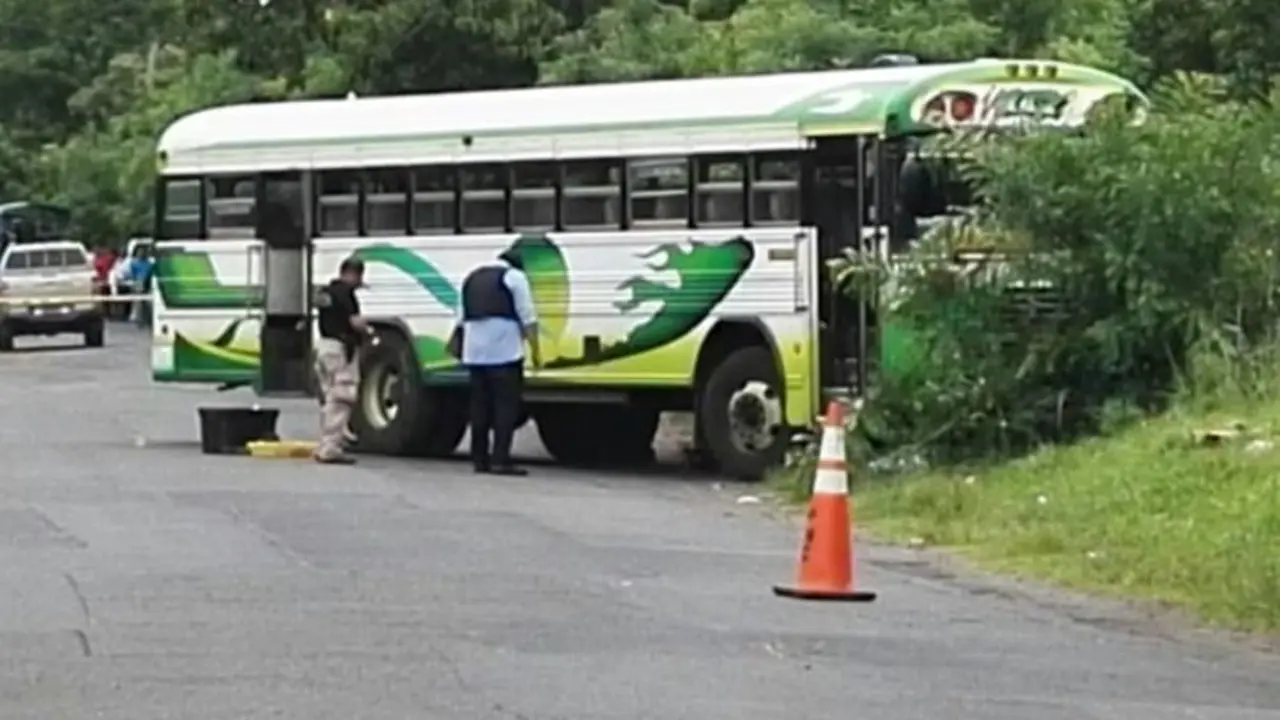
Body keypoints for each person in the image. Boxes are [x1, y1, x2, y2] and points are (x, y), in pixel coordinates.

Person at [453, 248, 541, 475]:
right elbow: (528, 316)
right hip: (505, 352)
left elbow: (461, 318)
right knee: (505, 407)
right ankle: (500, 459)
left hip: (474, 352)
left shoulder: (472, 277)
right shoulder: (514, 277)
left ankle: (479, 459)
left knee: (479, 406)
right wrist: (536, 350)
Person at [313, 257, 369, 465]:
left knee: (329, 398)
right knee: (342, 398)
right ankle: (331, 448)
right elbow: (354, 322)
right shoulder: (347, 294)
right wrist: (367, 329)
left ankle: (328, 442)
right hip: (339, 349)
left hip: (323, 347)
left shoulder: (326, 291)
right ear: (353, 274)